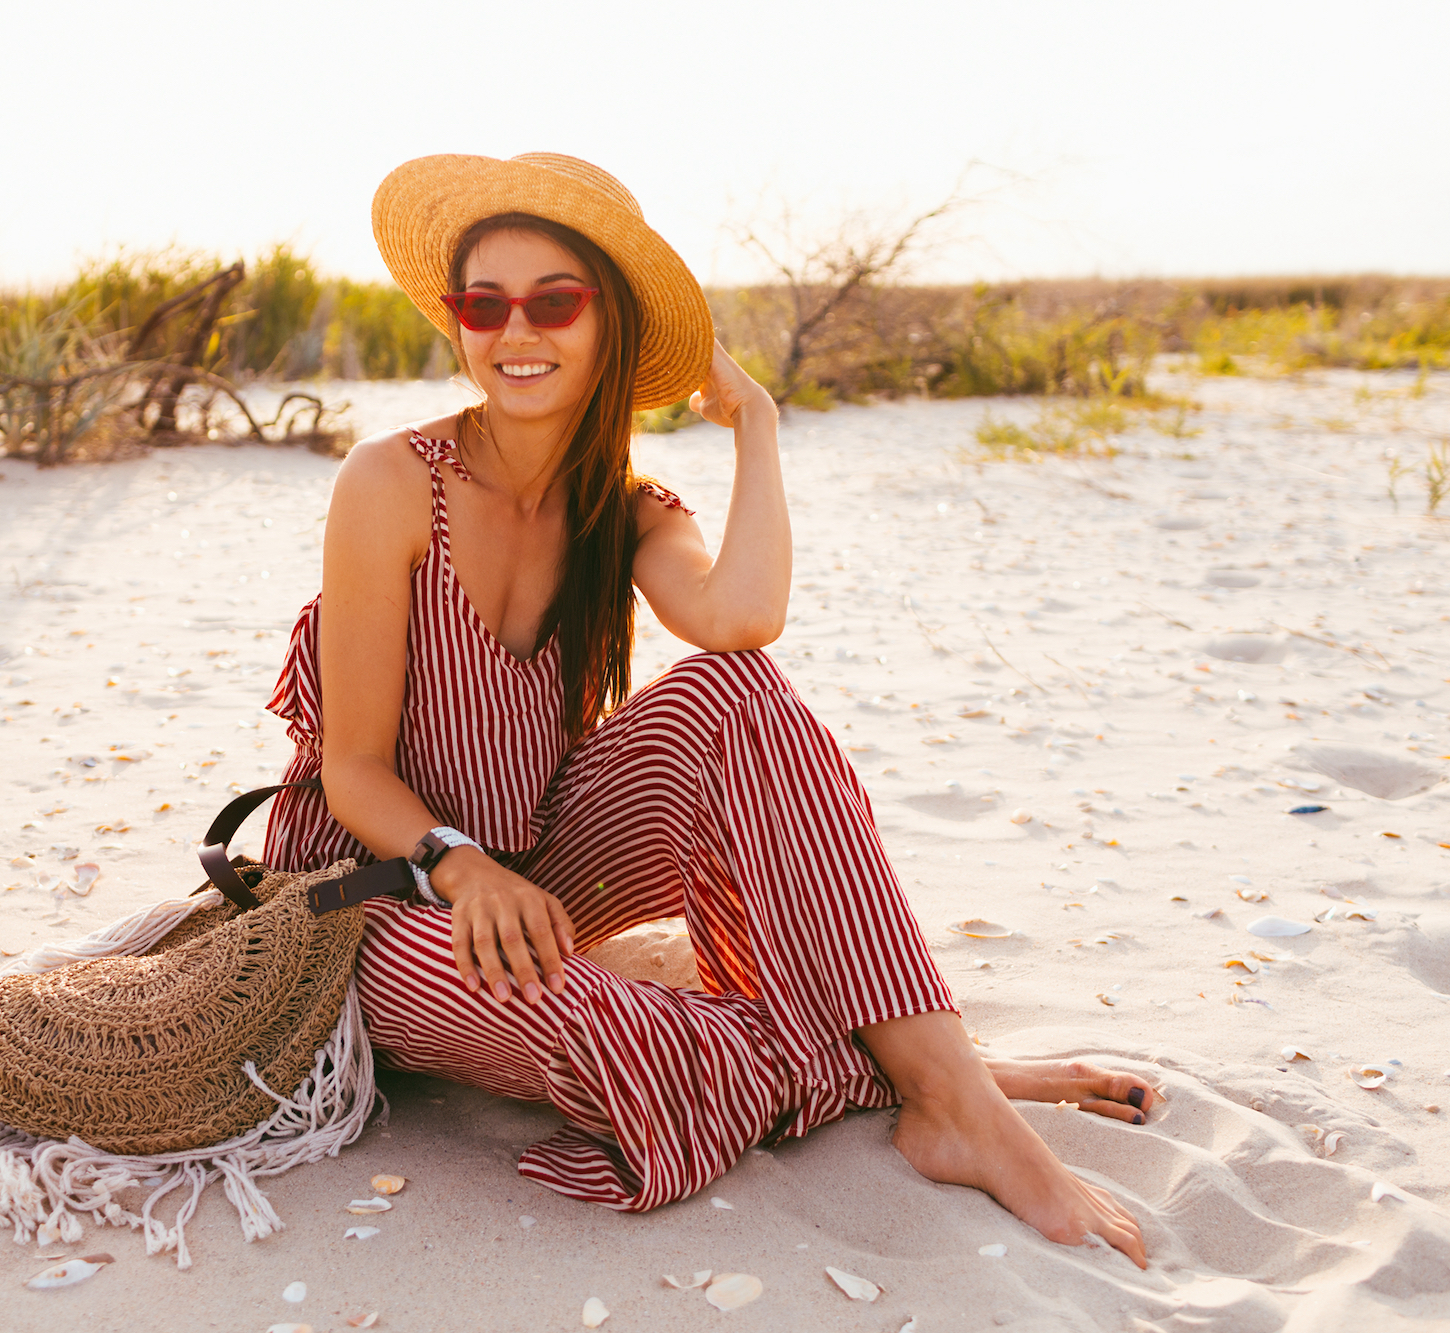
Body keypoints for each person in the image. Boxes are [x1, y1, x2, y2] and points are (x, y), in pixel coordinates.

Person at [263, 153, 1152, 1267]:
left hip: (536, 872)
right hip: (383, 898)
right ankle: (924, 1071)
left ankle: (952, 1102)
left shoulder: (624, 508)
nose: (514, 331)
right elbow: (351, 769)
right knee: (613, 1033)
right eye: (482, 305)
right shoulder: (390, 481)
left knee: (736, 690)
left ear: (612, 322)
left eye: (554, 301)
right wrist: (462, 866)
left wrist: (756, 424)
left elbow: (741, 618)